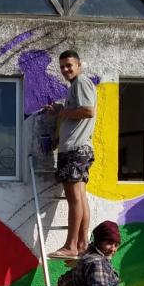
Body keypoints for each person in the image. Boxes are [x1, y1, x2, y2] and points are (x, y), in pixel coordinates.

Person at [44, 49, 96, 259]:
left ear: (79, 65)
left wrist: (61, 112)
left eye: (69, 65)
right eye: (63, 66)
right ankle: (82, 244)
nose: (65, 70)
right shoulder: (76, 86)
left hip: (76, 149)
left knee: (74, 198)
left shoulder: (81, 82)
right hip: (78, 148)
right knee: (80, 198)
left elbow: (88, 111)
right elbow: (78, 112)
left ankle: (71, 245)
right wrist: (62, 110)